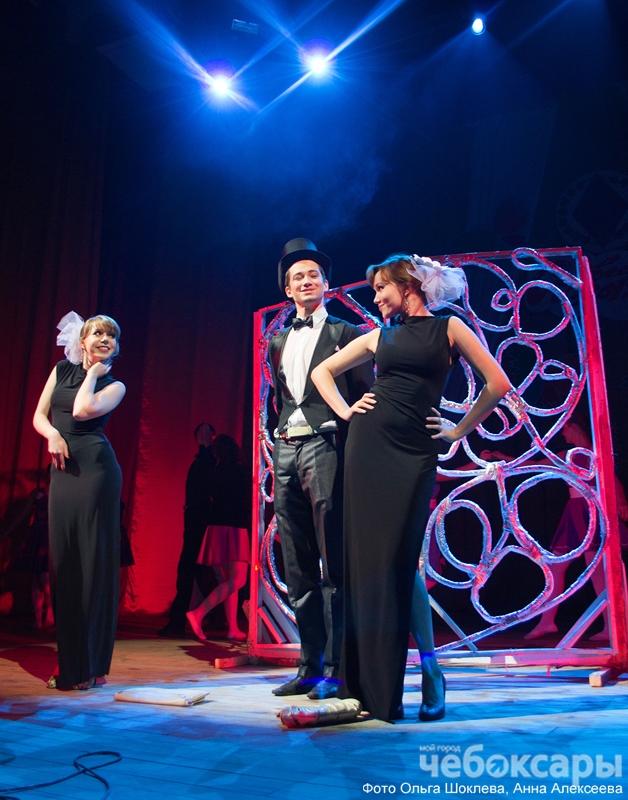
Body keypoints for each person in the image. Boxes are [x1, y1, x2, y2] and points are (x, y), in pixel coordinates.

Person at [312, 254, 511, 722]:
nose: (376, 298)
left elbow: (498, 383)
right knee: (370, 561)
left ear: (408, 286)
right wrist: (344, 411)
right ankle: (370, 682)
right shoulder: (379, 336)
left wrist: (458, 430)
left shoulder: (449, 328)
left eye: (382, 288)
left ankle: (430, 670)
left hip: (414, 452)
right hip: (368, 446)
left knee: (401, 559)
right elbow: (322, 372)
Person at [268, 238, 374, 701]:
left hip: (326, 445)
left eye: (313, 274)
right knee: (297, 564)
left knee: (333, 561)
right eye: (298, 277)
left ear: (326, 284)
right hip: (285, 449)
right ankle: (308, 666)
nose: (306, 281)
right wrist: (277, 437)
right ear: (288, 290)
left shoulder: (346, 333)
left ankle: (336, 668)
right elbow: (280, 399)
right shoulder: (277, 341)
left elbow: (365, 390)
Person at [33, 311, 126, 690]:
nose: (105, 339)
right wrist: (53, 436)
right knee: (65, 566)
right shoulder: (60, 370)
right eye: (98, 333)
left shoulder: (115, 385)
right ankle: (74, 661)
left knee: (93, 567)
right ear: (82, 341)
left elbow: (83, 410)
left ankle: (89, 666)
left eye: (111, 336)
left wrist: (92, 374)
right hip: (63, 475)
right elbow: (40, 415)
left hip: (96, 474)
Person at [483, 411, 628, 641]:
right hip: (577, 512)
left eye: (565, 429)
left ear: (574, 427)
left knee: (596, 572)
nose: (563, 434)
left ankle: (611, 626)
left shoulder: (595, 452)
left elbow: (612, 477)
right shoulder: (566, 455)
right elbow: (536, 464)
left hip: (591, 512)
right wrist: (506, 458)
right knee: (558, 569)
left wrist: (621, 501)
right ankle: (549, 622)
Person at [186, 434, 251, 641]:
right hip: (235, 527)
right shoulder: (240, 472)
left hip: (217, 527)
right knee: (238, 579)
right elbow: (246, 502)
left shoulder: (214, 471)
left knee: (228, 580)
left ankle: (232, 628)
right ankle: (198, 613)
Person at [159, 422, 216, 638]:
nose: (202, 438)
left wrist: (206, 447)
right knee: (196, 572)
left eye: (205, 435)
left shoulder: (212, 461)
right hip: (195, 522)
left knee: (191, 572)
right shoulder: (203, 460)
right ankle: (196, 619)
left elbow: (206, 476)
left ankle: (181, 621)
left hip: (202, 523)